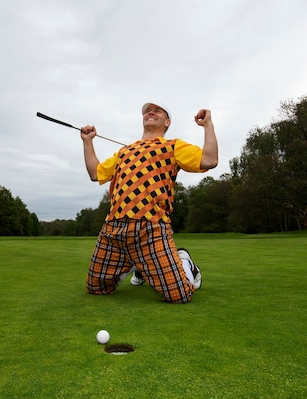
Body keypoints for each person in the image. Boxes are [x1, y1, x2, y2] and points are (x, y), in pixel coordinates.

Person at [80, 101, 218, 303]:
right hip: (113, 229)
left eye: (157, 110)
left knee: (178, 295)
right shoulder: (124, 151)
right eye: (147, 111)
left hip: (151, 228)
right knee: (96, 288)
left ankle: (184, 262)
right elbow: (95, 173)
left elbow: (210, 159)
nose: (150, 112)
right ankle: (140, 265)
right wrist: (87, 141)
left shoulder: (174, 146)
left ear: (167, 122)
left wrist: (208, 125)